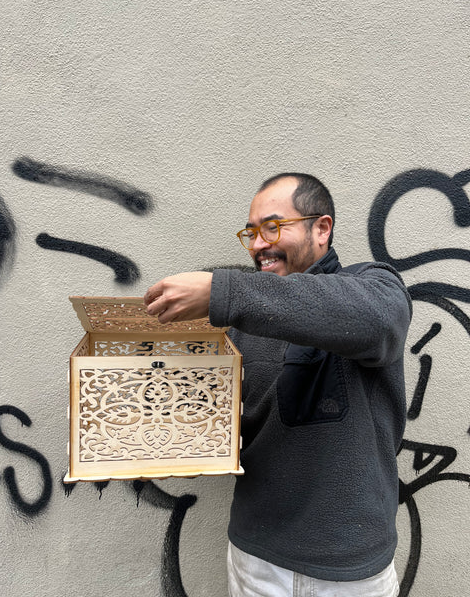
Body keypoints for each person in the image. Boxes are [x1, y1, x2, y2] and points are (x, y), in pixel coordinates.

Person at [143, 173, 412, 597]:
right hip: (257, 560)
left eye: (271, 228)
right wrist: (130, 433)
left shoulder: (374, 286)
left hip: (353, 569)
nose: (257, 245)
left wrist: (221, 291)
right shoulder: (241, 329)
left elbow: (380, 322)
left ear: (321, 228)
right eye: (251, 233)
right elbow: (209, 427)